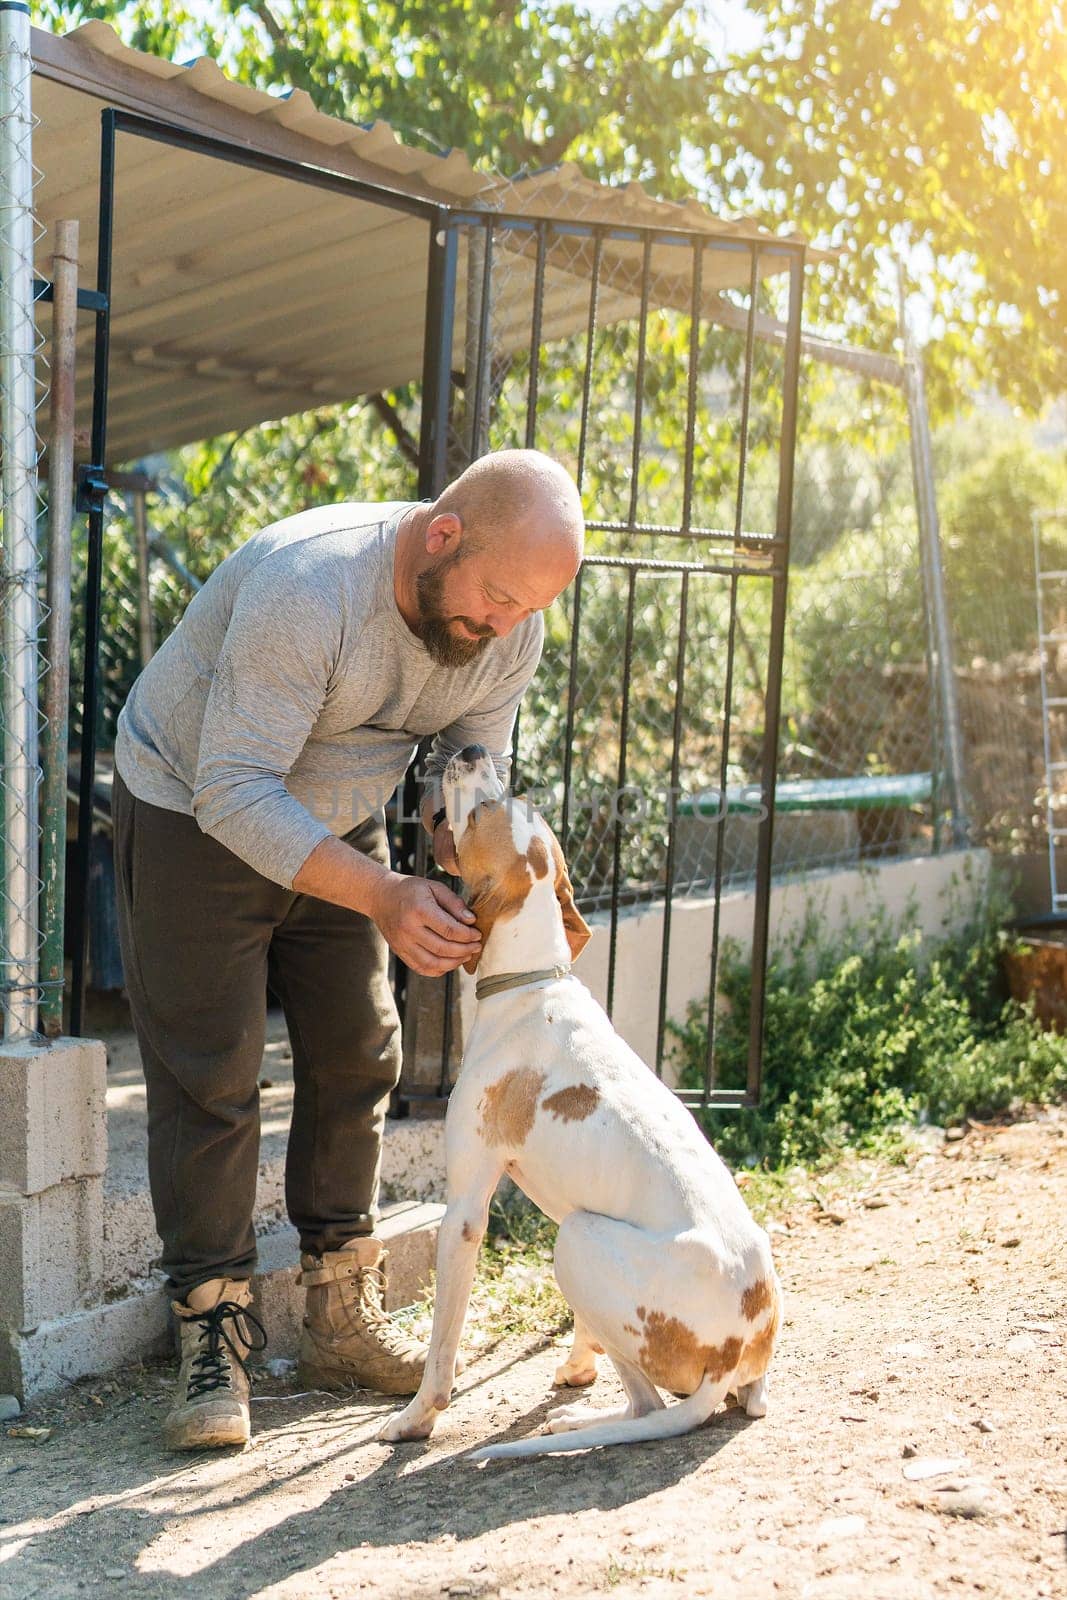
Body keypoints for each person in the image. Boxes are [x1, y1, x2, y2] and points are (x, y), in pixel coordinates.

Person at [112, 448, 584, 1451]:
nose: (503, 626)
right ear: (441, 534)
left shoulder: (509, 624)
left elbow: (467, 753)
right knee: (213, 1067)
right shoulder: (312, 586)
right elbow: (233, 789)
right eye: (496, 595)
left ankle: (338, 1310)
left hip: (334, 810)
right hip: (194, 802)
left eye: (524, 609)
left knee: (361, 1047)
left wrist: (443, 836)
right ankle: (210, 1332)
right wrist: (379, 893)